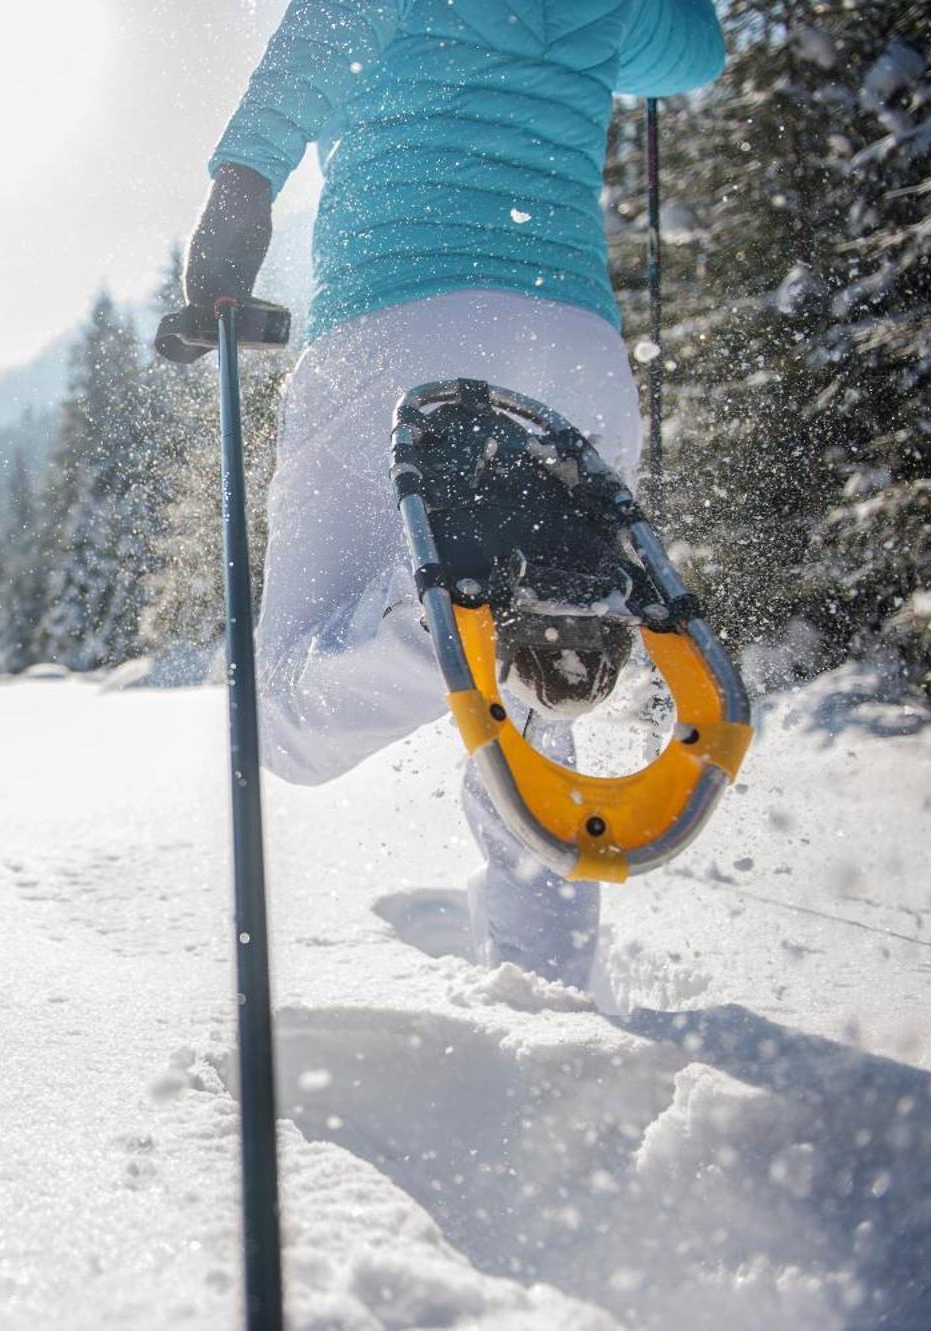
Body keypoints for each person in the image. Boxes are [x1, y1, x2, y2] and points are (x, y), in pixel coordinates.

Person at [161, 0, 725, 988]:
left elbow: (312, 49)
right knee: (529, 715)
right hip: (575, 358)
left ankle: (452, 611)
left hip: (399, 329)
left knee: (278, 719)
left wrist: (238, 189)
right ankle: (547, 997)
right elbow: (691, 52)